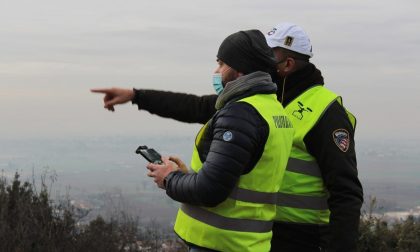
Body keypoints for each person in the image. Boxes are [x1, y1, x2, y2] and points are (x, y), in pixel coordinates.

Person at [92, 23, 363, 252]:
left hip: (301, 237)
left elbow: (345, 192)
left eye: (269, 54)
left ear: (288, 64)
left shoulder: (322, 111)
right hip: (261, 234)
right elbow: (195, 106)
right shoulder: (263, 100)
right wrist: (137, 96)